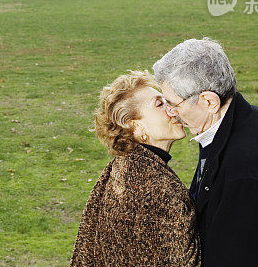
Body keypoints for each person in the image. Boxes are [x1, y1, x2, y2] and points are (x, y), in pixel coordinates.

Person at [153, 37, 258, 266]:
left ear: (209, 101)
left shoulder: (244, 173)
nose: (170, 113)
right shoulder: (250, 118)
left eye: (173, 104)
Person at [71, 70, 201, 266]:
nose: (173, 110)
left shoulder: (121, 168)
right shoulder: (158, 189)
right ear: (136, 127)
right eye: (160, 104)